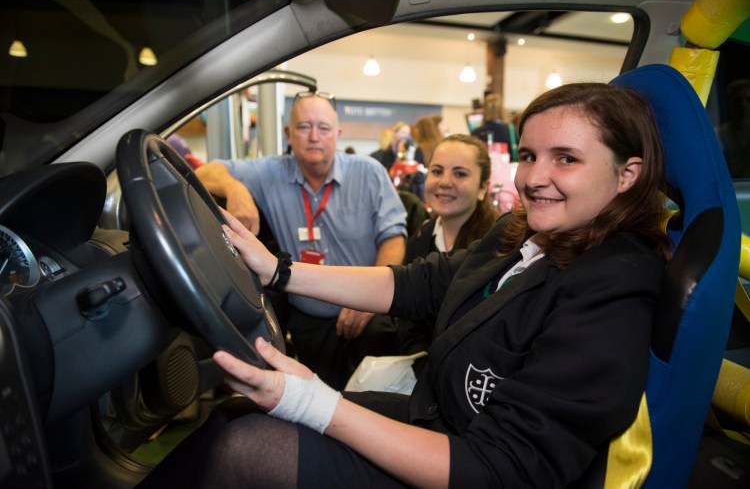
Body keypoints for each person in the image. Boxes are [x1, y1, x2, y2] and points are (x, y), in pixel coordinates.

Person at [141, 82, 672, 488]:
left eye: (567, 159)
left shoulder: (616, 282)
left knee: (244, 449)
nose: (533, 178)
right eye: (529, 155)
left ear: (627, 174)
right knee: (237, 413)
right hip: (436, 418)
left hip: (467, 463)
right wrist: (278, 271)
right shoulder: (525, 233)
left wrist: (313, 403)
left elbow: (501, 466)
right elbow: (421, 283)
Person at [194, 91, 407, 390]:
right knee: (320, 401)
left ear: (338, 134)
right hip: (309, 321)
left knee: (376, 398)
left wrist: (371, 298)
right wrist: (235, 189)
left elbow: (393, 236)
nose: (314, 137)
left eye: (324, 128)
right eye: (304, 127)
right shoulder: (270, 172)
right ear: (288, 133)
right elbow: (203, 173)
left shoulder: (368, 173)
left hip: (366, 315)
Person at [398, 133, 499, 356]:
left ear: (483, 188)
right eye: (437, 171)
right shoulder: (421, 237)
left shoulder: (500, 246)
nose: (444, 182)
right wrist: (419, 358)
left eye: (460, 174)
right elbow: (408, 316)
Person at [717, 78, 750, 178]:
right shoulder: (718, 135)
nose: (743, 105)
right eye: (738, 100)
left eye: (748, 99)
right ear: (729, 103)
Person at [471, 92, 517, 161]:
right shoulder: (512, 130)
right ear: (502, 109)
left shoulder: (477, 132)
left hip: (486, 167)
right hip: (509, 166)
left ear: (485, 110)